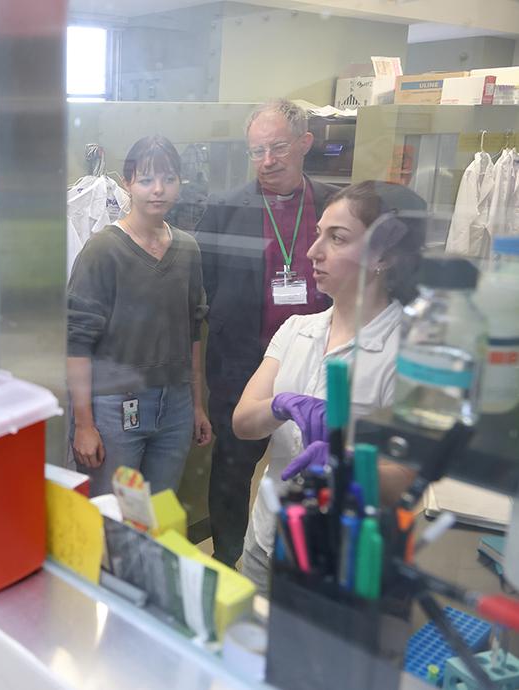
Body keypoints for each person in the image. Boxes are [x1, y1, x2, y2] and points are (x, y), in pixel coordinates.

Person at [232, 180, 424, 592]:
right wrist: (280, 405)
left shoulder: (408, 351)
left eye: (336, 238)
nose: (313, 251)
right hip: (265, 540)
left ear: (384, 256)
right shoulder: (298, 328)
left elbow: (406, 479)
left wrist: (345, 463)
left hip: (337, 563)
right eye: (318, 233)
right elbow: (244, 422)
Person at [196, 99, 339, 567]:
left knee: (312, 465)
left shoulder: (336, 206)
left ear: (305, 144)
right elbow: (206, 290)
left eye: (277, 148)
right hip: (242, 367)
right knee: (232, 474)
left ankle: (303, 565)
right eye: (256, 151)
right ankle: (229, 563)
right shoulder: (223, 211)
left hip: (316, 363)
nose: (267, 161)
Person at [68, 135, 212, 498]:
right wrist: (84, 424)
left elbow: (193, 332)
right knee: (115, 519)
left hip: (176, 404)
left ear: (180, 183)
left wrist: (196, 405)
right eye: (147, 179)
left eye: (169, 179)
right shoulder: (102, 250)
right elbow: (76, 341)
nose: (158, 190)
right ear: (129, 182)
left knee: (158, 514)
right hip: (116, 407)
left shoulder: (187, 249)